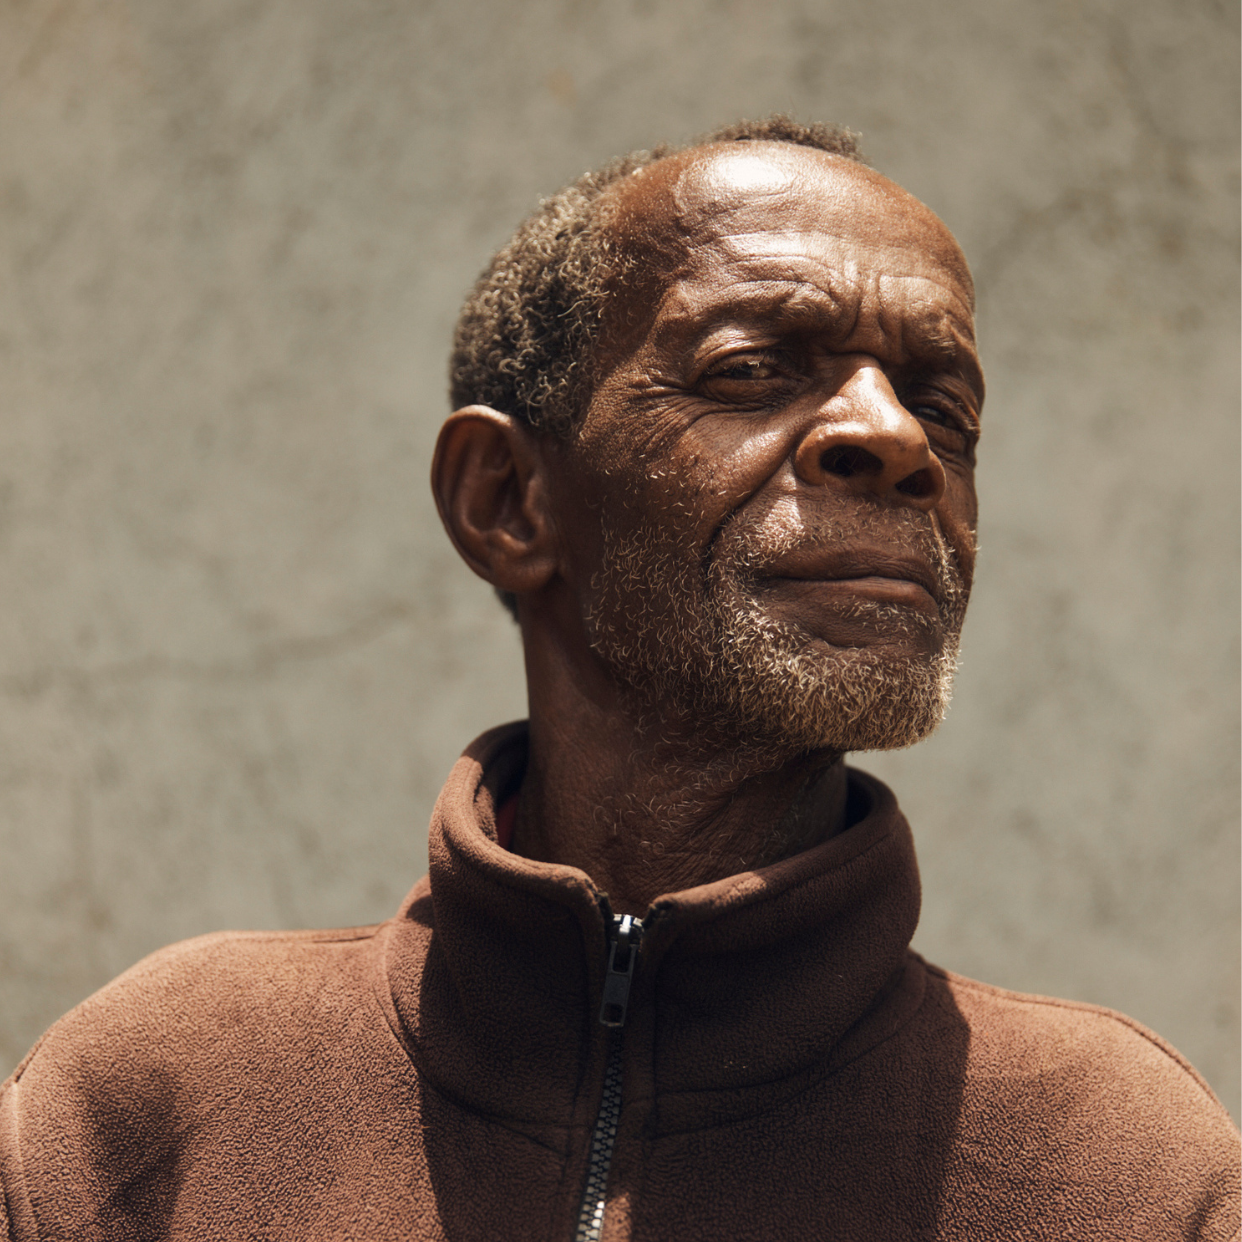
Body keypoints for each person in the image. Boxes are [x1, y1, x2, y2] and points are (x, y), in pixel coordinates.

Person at [0, 117, 1236, 1242]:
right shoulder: (155, 1106)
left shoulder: (1129, 1173)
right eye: (754, 366)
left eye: (945, 407)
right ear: (507, 501)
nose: (896, 436)